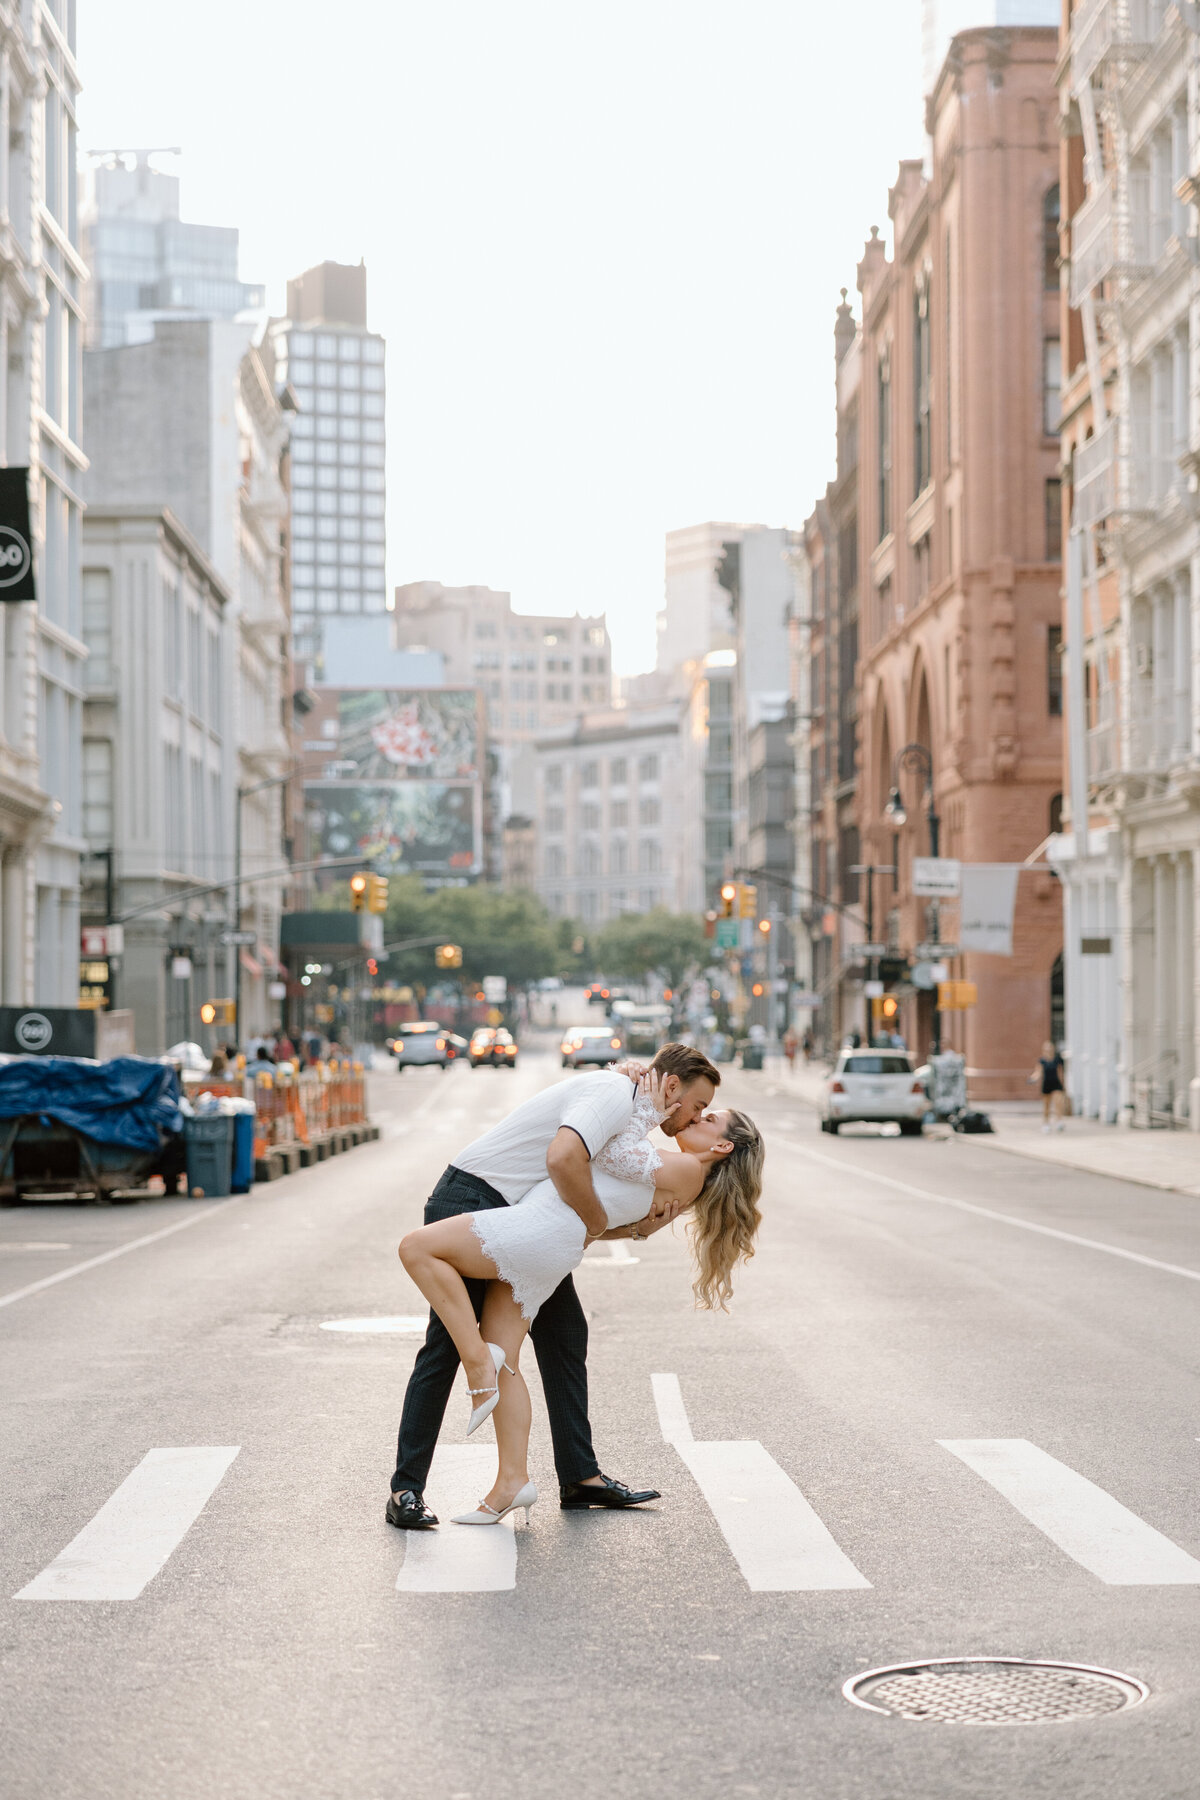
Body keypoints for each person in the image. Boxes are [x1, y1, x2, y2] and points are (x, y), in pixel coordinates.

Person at [399, 1067, 763, 1528]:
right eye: (700, 1107)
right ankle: (511, 1482)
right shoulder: (677, 1173)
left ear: (722, 1146)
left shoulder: (687, 1168)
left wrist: (643, 1109)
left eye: (708, 1118)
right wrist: (635, 1227)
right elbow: (613, 1208)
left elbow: (607, 1152)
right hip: (552, 1241)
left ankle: (475, 1362)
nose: (697, 1118)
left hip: (536, 1232)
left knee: (416, 1248)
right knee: (508, 1357)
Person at [1029, 1039, 1066, 1131]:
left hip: (1056, 1083)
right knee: (1047, 1105)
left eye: (1050, 1047)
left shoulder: (1057, 1059)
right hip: (1047, 1084)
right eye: (1046, 1048)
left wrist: (1064, 1084)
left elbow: (1061, 1072)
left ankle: (1059, 1121)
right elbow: (1038, 1072)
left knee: (1058, 1103)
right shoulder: (1042, 1061)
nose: (1048, 1049)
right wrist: (1032, 1079)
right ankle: (1046, 1123)